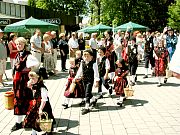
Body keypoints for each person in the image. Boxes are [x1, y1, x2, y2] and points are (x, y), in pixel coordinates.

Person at [11, 37, 39, 132]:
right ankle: (19, 122)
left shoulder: (28, 55)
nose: (19, 46)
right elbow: (14, 68)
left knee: (27, 99)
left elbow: (36, 63)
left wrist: (29, 70)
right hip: (17, 81)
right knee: (18, 100)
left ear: (24, 45)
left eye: (20, 44)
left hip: (25, 80)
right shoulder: (17, 55)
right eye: (17, 44)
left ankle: (28, 120)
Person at [73, 49, 99, 115]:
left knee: (87, 93)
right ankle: (93, 99)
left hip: (90, 80)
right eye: (85, 56)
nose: (86, 57)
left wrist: (96, 81)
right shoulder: (82, 63)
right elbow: (79, 71)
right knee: (87, 92)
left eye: (88, 56)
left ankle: (87, 107)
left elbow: (96, 73)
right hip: (84, 80)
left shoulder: (94, 64)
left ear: (91, 57)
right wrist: (75, 78)